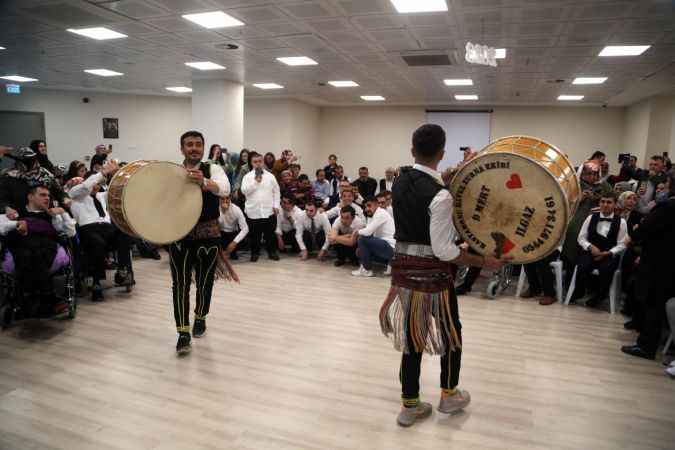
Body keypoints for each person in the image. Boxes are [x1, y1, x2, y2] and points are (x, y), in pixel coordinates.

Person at [379, 124, 506, 427]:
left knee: (413, 337)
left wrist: (454, 172)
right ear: (442, 153)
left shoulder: (399, 181)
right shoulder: (441, 196)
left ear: (412, 150)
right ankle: (449, 395)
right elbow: (444, 251)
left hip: (403, 273)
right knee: (451, 333)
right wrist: (484, 261)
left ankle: (410, 406)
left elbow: (423, 185)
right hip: (433, 278)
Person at [169, 130, 230, 354]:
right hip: (179, 235)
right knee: (180, 284)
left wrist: (204, 181)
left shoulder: (213, 169)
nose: (194, 148)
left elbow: (225, 189)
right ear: (182, 149)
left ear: (203, 148)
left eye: (197, 144)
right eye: (189, 144)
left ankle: (200, 317)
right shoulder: (173, 173)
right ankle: (183, 333)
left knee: (205, 281)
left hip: (208, 234)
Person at [621, 171, 675, 360]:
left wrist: (636, 232)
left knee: (653, 304)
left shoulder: (667, 206)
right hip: (669, 264)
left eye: (667, 184)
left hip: (658, 262)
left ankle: (646, 346)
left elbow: (644, 229)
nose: (664, 188)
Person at [1, 184, 76, 317]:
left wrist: (63, 213)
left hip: (45, 245)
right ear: (30, 197)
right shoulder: (15, 213)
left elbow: (71, 232)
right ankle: (46, 297)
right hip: (21, 244)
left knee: (35, 253)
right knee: (27, 252)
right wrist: (16, 224)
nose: (47, 198)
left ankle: (23, 299)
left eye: (48, 196)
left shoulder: (52, 214)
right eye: (42, 195)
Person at [67, 162, 134, 301]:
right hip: (88, 229)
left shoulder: (101, 196)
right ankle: (96, 282)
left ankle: (122, 271)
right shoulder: (75, 194)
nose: (95, 186)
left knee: (124, 232)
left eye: (98, 184)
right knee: (97, 243)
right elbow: (86, 186)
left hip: (106, 229)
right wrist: (101, 173)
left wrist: (120, 173)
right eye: (94, 183)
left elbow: (120, 190)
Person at [569, 192, 627, 307]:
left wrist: (608, 253)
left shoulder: (621, 222)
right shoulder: (590, 218)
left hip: (609, 254)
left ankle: (599, 296)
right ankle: (579, 291)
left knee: (606, 270)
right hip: (590, 251)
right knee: (582, 266)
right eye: (603, 202)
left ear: (615, 204)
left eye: (609, 202)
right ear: (599, 203)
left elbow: (622, 244)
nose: (605, 205)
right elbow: (581, 238)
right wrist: (590, 246)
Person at [0, 147, 68, 218]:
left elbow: (59, 191)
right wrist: (6, 208)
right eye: (26, 160)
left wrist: (65, 198)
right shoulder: (9, 176)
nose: (30, 163)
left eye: (32, 159)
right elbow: (2, 198)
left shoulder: (44, 174)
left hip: (47, 215)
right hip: (21, 217)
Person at [241, 152, 281, 262]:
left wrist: (276, 205)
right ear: (251, 163)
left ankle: (272, 252)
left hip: (269, 211)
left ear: (263, 162)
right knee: (255, 235)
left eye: (260, 161)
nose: (258, 164)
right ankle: (255, 253)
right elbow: (244, 191)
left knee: (270, 234)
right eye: (255, 162)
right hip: (253, 211)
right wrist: (255, 182)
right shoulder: (247, 177)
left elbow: (276, 191)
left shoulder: (271, 176)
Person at [352, 196, 396, 277]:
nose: (367, 209)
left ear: (377, 205)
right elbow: (369, 232)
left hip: (391, 249)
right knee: (360, 249)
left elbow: (367, 232)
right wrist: (361, 248)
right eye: (365, 207)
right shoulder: (372, 215)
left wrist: (356, 232)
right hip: (385, 247)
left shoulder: (381, 213)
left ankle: (367, 270)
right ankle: (364, 268)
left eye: (369, 205)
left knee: (362, 239)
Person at [218, 194, 248, 261]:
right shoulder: (215, 208)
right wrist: (223, 212)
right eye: (222, 199)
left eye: (227, 198)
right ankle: (222, 252)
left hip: (233, 233)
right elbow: (218, 225)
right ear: (219, 199)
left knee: (242, 240)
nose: (225, 201)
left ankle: (230, 251)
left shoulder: (236, 209)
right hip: (221, 233)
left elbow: (245, 228)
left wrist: (234, 242)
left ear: (230, 198)